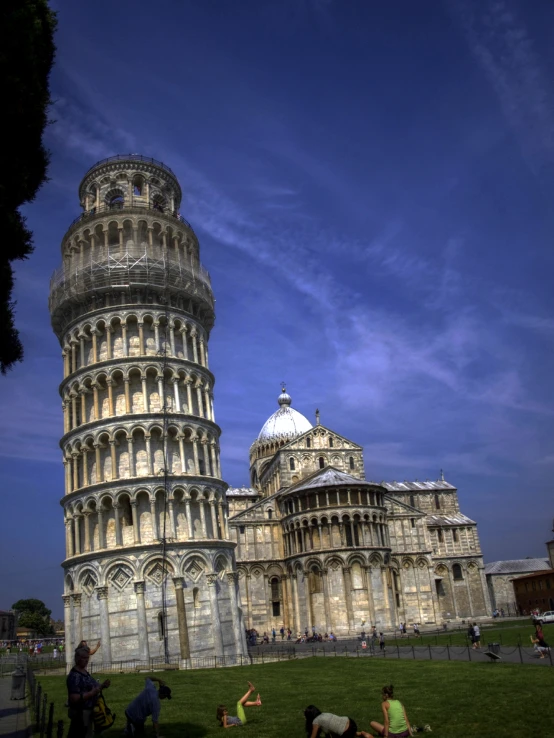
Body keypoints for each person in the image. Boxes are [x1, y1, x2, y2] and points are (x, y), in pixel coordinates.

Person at [67, 646, 111, 738]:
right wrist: (91, 693)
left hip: (89, 711)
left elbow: (93, 687)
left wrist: (102, 686)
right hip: (80, 713)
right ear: (77, 658)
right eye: (84, 658)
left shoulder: (84, 672)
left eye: (87, 658)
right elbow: (73, 698)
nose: (86, 660)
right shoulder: (74, 676)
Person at [360, 685, 429, 738]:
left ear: (385, 695)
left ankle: (384, 733)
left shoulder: (384, 704)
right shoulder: (399, 702)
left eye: (382, 694)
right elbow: (406, 719)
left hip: (393, 734)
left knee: (372, 723)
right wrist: (411, 734)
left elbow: (386, 721)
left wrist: (386, 736)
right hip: (405, 733)